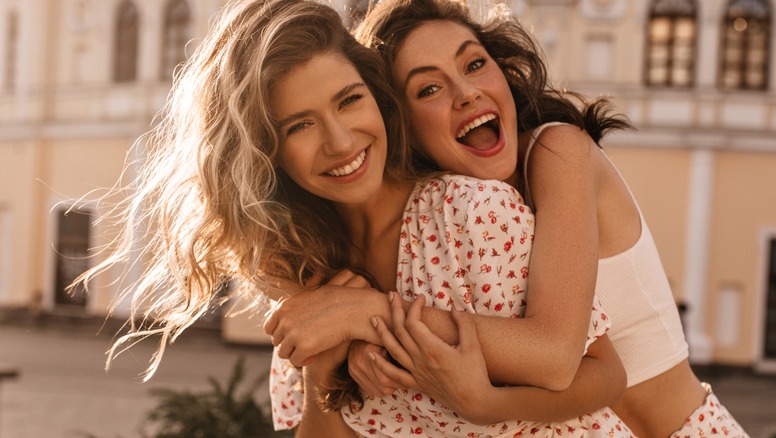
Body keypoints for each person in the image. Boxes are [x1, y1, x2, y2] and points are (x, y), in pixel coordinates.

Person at [74, 0, 628, 436]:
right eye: (299, 126)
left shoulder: (469, 215)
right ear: (266, 155)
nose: (340, 142)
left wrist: (369, 315)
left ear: (379, 97)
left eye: (348, 100)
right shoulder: (310, 271)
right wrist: (324, 370)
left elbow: (582, 366)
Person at [341, 0, 746, 436]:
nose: (467, 92)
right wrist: (371, 344)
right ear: (400, 124)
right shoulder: (440, 220)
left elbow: (554, 354)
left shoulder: (558, 151)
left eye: (475, 64)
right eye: (429, 89)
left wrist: (369, 315)